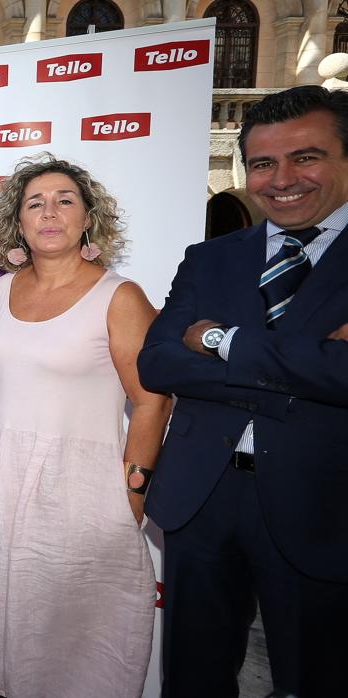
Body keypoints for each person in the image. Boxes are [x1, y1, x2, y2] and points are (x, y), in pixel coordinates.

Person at [137, 85, 348, 697]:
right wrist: (308, 369)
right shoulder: (211, 259)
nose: (282, 179)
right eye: (262, 163)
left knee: (316, 678)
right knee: (193, 676)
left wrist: (222, 342)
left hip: (323, 503)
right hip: (203, 496)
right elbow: (157, 364)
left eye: (305, 157)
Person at [0, 154, 171, 697]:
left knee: (73, 625)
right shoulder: (1, 289)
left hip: (79, 481)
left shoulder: (120, 296)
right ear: (17, 223)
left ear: (88, 217)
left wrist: (133, 493)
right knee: (6, 610)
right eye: (34, 203)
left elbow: (153, 401)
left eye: (65, 200)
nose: (49, 212)